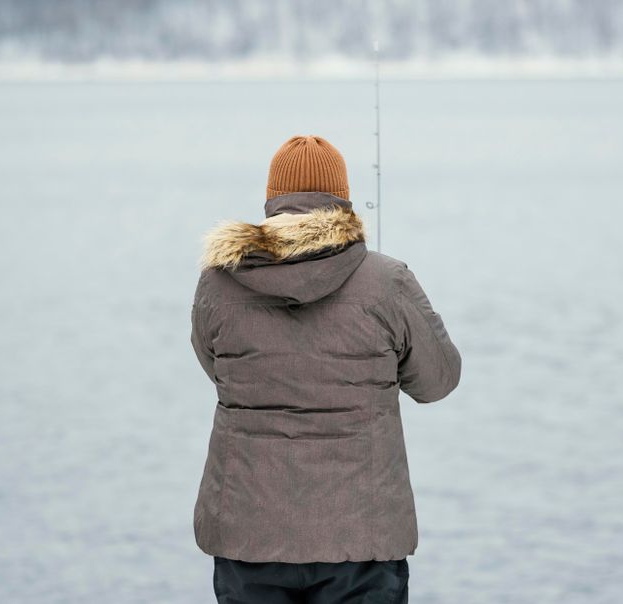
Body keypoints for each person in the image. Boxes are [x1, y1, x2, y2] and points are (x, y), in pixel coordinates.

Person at [189, 134, 462, 603]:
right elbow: (438, 381)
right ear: (343, 203)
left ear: (272, 204)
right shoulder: (387, 281)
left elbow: (216, 367)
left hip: (247, 538)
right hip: (362, 540)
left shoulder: (218, 283)